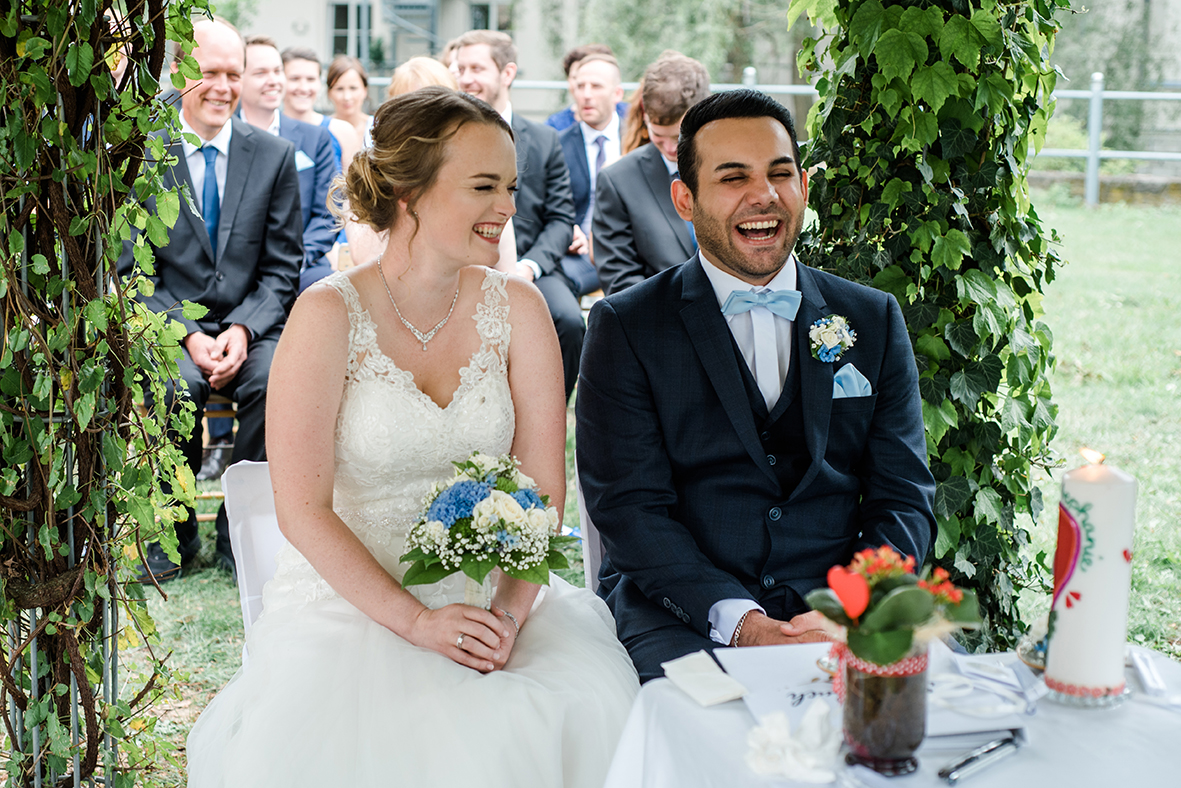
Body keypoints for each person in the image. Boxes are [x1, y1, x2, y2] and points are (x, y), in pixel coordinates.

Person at [186, 86, 639, 786]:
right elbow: (301, 509)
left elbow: (543, 490)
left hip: (496, 596)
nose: (508, 208)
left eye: (512, 187)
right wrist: (417, 623)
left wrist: (508, 618)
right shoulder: (326, 314)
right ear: (407, 192)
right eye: (484, 186)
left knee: (556, 714)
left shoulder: (520, 310)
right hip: (351, 607)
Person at [576, 89, 936, 683]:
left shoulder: (871, 319)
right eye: (733, 177)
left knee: (920, 729)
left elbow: (902, 496)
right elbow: (629, 508)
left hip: (842, 608)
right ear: (684, 200)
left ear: (803, 186)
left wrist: (855, 605)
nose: (763, 195)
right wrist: (741, 622)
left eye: (779, 172)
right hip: (685, 612)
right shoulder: (626, 326)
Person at [117, 18, 303, 580]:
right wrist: (189, 334)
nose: (223, 87)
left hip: (252, 323)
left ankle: (238, 531)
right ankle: (175, 532)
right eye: (210, 73)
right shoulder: (142, 154)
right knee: (175, 385)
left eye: (233, 74)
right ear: (178, 70)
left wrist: (242, 331)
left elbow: (281, 268)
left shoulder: (273, 155)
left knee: (276, 383)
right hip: (170, 323)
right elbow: (131, 273)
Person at [454, 30, 583, 401]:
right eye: (461, 69)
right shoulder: (448, 138)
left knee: (570, 320)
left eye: (476, 68)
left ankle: (548, 414)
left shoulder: (544, 141)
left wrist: (527, 268)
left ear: (507, 73)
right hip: (461, 265)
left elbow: (561, 219)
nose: (465, 78)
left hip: (531, 266)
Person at [593, 51, 710, 296]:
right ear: (645, 116)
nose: (670, 149)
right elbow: (620, 279)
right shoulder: (618, 181)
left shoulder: (735, 168)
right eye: (658, 136)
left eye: (678, 137)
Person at [240, 36, 341, 292]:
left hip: (300, 266)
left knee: (329, 291)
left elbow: (328, 213)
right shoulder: (222, 133)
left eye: (277, 71)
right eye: (261, 72)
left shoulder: (314, 138)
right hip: (234, 270)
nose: (273, 80)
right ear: (239, 78)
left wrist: (297, 258)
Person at [557, 53, 625, 296]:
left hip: (631, 249)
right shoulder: (558, 144)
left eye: (596, 86)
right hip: (580, 255)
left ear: (617, 94)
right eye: (580, 86)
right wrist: (568, 228)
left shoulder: (637, 139)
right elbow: (549, 205)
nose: (586, 94)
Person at [281, 46, 360, 172]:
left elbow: (354, 188)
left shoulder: (342, 132)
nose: (303, 87)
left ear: (319, 83)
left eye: (311, 79)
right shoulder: (269, 130)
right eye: (294, 79)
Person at [545, 44, 630, 132]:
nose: (587, 94)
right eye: (578, 81)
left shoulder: (632, 117)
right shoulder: (555, 126)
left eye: (596, 85)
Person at [327, 55, 373, 150]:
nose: (347, 97)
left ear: (365, 90)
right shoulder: (322, 129)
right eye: (339, 89)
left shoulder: (377, 128)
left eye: (353, 88)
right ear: (329, 92)